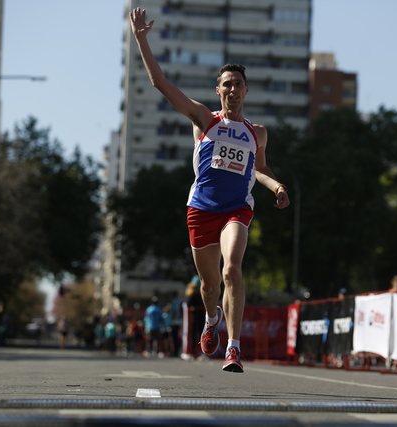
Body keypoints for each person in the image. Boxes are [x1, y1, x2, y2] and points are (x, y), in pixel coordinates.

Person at [130, 8, 290, 373]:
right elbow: (160, 84)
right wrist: (142, 39)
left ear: (246, 90)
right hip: (202, 207)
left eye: (238, 83)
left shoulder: (257, 133)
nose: (233, 89)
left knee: (233, 269)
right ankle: (210, 317)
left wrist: (277, 186)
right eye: (227, 84)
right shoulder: (204, 118)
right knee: (209, 283)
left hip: (237, 207)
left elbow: (259, 170)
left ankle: (233, 348)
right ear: (219, 91)